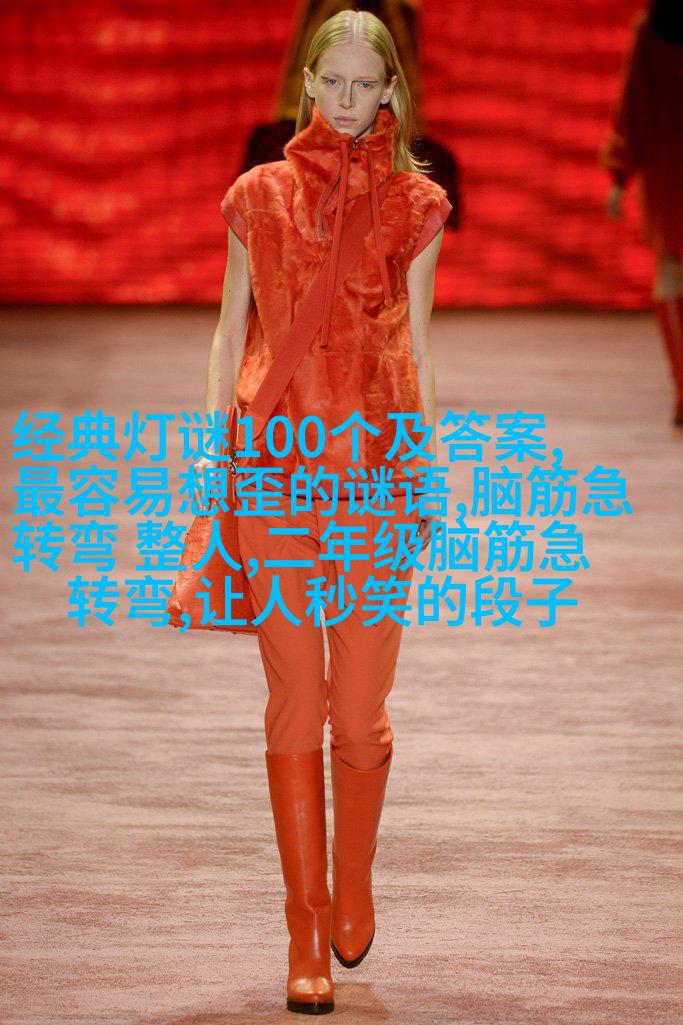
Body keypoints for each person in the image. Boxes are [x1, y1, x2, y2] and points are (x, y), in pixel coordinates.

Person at [198, 9, 451, 1015]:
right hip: (272, 472)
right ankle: (303, 926)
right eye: (331, 82)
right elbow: (229, 333)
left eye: (364, 85)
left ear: (389, 91)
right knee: (297, 698)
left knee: (360, 706)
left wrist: (427, 461)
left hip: (375, 477)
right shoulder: (257, 195)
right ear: (306, 80)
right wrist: (215, 454)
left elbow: (416, 344)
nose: (346, 102)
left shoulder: (417, 205)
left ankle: (353, 881)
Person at [600, 0, 683, 425]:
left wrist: (620, 174)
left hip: (668, 164)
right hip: (667, 163)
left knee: (670, 273)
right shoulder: (650, 28)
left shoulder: (653, 28)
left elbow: (636, 104)